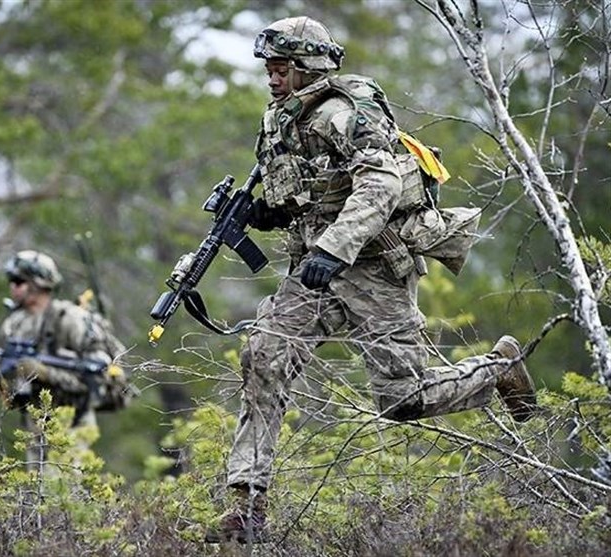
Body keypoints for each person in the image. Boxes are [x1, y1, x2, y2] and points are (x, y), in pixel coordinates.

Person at [204, 16, 537, 544]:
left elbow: (379, 184)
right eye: (268, 67)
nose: (270, 77)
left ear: (306, 66)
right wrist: (264, 215)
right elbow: (309, 197)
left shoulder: (344, 114)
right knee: (263, 355)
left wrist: (335, 249)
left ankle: (499, 370)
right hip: (314, 272)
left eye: (280, 67)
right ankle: (247, 507)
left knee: (403, 398)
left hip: (373, 270)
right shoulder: (281, 119)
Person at [0, 250, 126, 467]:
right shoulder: (16, 324)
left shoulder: (70, 320)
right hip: (35, 428)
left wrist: (44, 372)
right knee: (38, 494)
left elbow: (96, 378)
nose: (12, 286)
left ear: (38, 284)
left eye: (18, 281)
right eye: (11, 281)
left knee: (63, 491)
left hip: (73, 424)